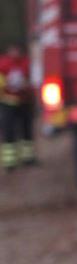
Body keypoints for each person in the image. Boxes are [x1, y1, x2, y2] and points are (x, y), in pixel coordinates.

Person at [0, 44, 36, 172]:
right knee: (9, 133)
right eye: (13, 50)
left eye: (17, 50)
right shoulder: (3, 63)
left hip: (24, 101)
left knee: (27, 130)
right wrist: (7, 84)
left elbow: (33, 78)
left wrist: (27, 85)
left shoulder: (26, 62)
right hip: (8, 102)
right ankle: (10, 162)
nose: (15, 52)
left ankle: (28, 158)